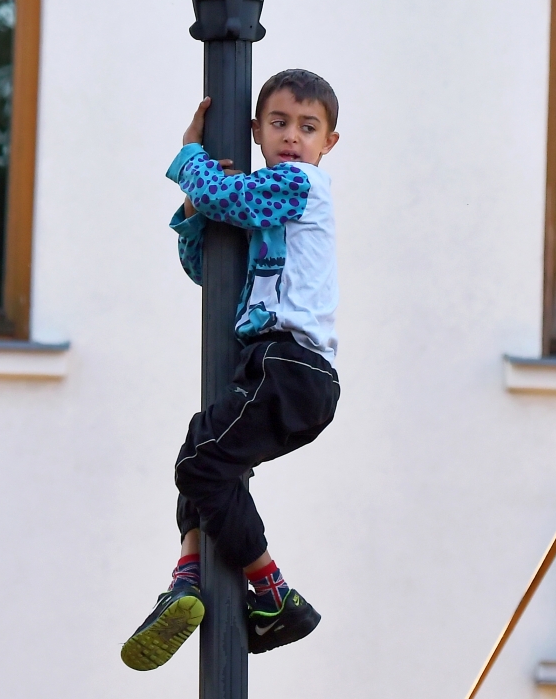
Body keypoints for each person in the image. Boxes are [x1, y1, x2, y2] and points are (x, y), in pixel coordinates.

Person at [121, 68, 342, 671]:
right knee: (202, 452)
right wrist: (195, 205)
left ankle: (273, 594)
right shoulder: (267, 206)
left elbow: (228, 198)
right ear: (255, 130)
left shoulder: (299, 184)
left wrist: (192, 157)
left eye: (307, 127)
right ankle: (188, 577)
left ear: (328, 143)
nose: (291, 136)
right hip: (277, 369)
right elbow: (207, 266)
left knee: (203, 466)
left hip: (289, 365)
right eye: (279, 123)